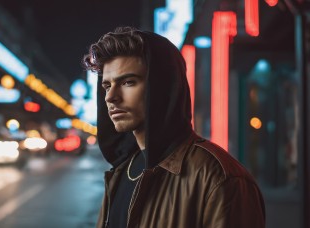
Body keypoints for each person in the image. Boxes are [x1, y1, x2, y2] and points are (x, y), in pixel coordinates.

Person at [82, 27, 265, 228]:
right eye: (107, 86)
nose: (110, 97)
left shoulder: (220, 178)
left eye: (128, 82)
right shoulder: (121, 171)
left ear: (162, 87)